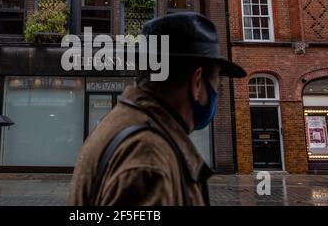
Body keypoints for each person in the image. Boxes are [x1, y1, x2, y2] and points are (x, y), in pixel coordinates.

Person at [67, 12, 246, 206]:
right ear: (196, 81)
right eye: (215, 84)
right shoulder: (149, 161)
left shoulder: (120, 123)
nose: (215, 94)